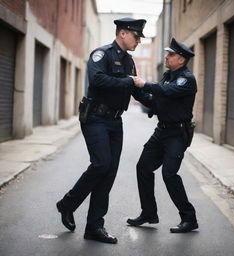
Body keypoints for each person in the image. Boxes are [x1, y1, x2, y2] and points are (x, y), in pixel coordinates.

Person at [56, 18, 152, 244]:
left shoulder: (129, 61)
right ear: (123, 34)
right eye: (136, 36)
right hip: (95, 117)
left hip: (115, 121)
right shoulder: (101, 54)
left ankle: (94, 227)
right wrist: (130, 82)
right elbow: (97, 80)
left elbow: (137, 92)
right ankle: (68, 203)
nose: (138, 41)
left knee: (109, 172)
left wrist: (159, 102)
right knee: (101, 164)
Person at [127, 38, 198, 233]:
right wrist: (134, 87)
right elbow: (155, 101)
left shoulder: (186, 79)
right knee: (143, 167)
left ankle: (189, 218)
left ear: (181, 60)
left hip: (177, 134)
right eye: (167, 54)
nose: (166, 57)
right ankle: (149, 213)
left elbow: (167, 91)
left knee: (169, 174)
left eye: (171, 55)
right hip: (162, 131)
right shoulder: (167, 76)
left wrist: (144, 84)